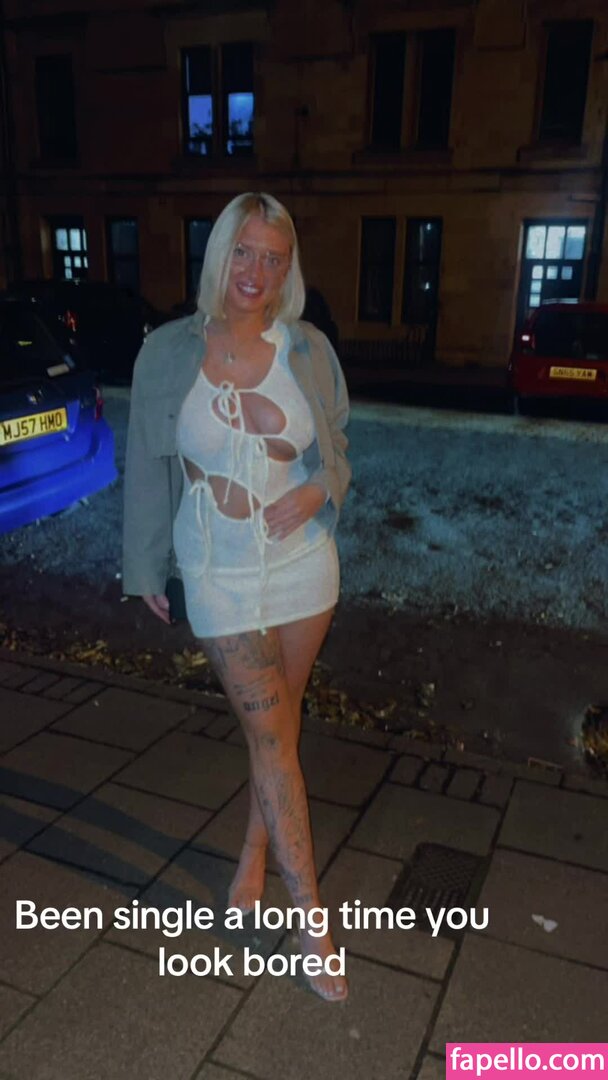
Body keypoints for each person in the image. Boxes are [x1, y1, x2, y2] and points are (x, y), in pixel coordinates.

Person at [122, 192, 351, 1002]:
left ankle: (252, 857)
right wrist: (144, 565)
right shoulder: (166, 352)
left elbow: (337, 447)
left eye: (274, 258)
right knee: (271, 734)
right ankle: (313, 922)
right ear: (220, 254)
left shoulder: (309, 349)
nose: (257, 271)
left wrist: (320, 489)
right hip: (216, 572)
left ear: (289, 269)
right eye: (244, 252)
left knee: (279, 730)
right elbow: (145, 461)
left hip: (304, 567)